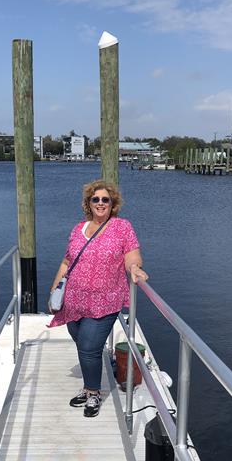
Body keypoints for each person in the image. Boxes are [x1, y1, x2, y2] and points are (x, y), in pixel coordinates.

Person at [48, 179, 148, 418]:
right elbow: (67, 261)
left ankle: (93, 392)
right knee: (82, 343)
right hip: (73, 300)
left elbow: (132, 256)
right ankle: (87, 385)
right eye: (96, 199)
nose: (101, 203)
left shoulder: (122, 227)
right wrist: (54, 291)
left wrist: (134, 269)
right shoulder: (78, 229)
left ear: (112, 203)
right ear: (88, 203)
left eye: (106, 199)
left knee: (89, 346)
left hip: (105, 301)